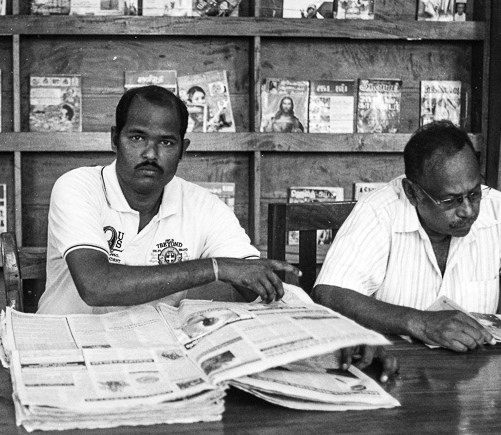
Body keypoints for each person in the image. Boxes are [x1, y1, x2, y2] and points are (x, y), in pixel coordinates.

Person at [37, 85, 396, 378]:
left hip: (159, 363)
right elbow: (96, 286)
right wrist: (215, 268)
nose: (150, 153)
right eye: (136, 137)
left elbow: (261, 282)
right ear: (114, 139)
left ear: (183, 149)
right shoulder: (78, 186)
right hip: (67, 354)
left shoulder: (202, 204)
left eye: (166, 142)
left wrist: (339, 334)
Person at [314, 120, 501, 352]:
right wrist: (420, 322)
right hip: (395, 365)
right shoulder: (379, 211)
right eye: (451, 200)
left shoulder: (499, 211)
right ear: (412, 193)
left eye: (474, 193)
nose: (469, 210)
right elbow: (330, 294)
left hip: (474, 372)